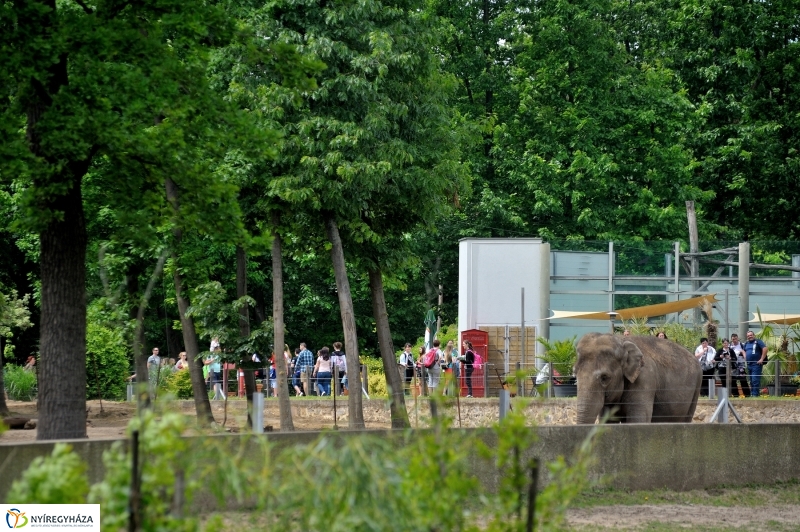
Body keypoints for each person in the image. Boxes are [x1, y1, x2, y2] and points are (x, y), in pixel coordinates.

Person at [744, 330, 768, 397]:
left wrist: (762, 359)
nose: (749, 337)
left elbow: (765, 348)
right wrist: (745, 356)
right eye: (748, 336)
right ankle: (752, 394)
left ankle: (755, 394)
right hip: (749, 364)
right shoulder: (746, 343)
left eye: (751, 335)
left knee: (755, 380)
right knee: (751, 380)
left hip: (756, 364)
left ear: (754, 335)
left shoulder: (758, 341)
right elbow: (743, 350)